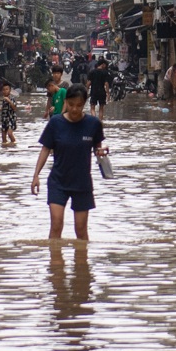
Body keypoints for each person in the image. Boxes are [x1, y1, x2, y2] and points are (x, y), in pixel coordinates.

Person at [30, 85, 107, 240]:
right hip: (58, 181)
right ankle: (55, 262)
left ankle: (82, 262)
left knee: (81, 229)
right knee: (56, 225)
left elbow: (97, 149)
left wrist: (101, 152)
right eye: (71, 105)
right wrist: (36, 175)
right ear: (66, 102)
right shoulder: (56, 123)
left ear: (84, 104)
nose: (74, 109)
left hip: (82, 183)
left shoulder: (93, 124)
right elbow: (45, 149)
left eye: (79, 106)